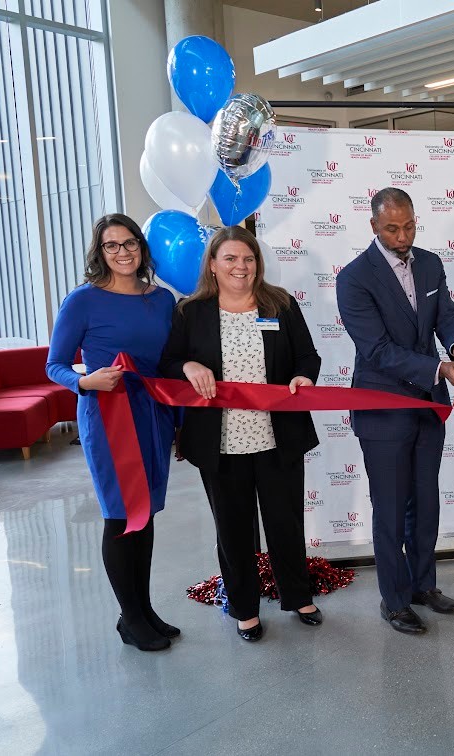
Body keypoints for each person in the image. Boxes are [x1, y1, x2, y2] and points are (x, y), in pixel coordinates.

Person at [159, 226, 322, 642]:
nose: (241, 266)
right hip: (220, 443)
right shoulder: (190, 312)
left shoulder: (280, 304)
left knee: (285, 522)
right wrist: (187, 366)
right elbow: (169, 363)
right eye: (230, 258)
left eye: (248, 259)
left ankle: (298, 596)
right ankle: (244, 608)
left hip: (278, 437)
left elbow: (307, 356)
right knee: (232, 530)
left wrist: (304, 377)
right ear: (212, 265)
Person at [336, 187, 454, 636]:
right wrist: (439, 368)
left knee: (425, 502)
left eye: (409, 226)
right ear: (373, 226)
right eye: (392, 229)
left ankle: (423, 585)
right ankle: (394, 601)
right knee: (391, 509)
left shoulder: (431, 263)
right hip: (383, 410)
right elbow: (376, 350)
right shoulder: (354, 278)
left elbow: (445, 315)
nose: (403, 236)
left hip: (428, 406)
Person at [46, 213, 178, 652]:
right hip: (108, 415)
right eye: (112, 245)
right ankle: (131, 617)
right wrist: (84, 381)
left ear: (141, 246)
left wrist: (179, 420)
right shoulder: (82, 300)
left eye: (129, 243)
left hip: (154, 414)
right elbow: (55, 365)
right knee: (122, 514)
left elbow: (168, 364)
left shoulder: (162, 300)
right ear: (100, 253)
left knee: (147, 512)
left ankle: (143, 609)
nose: (122, 252)